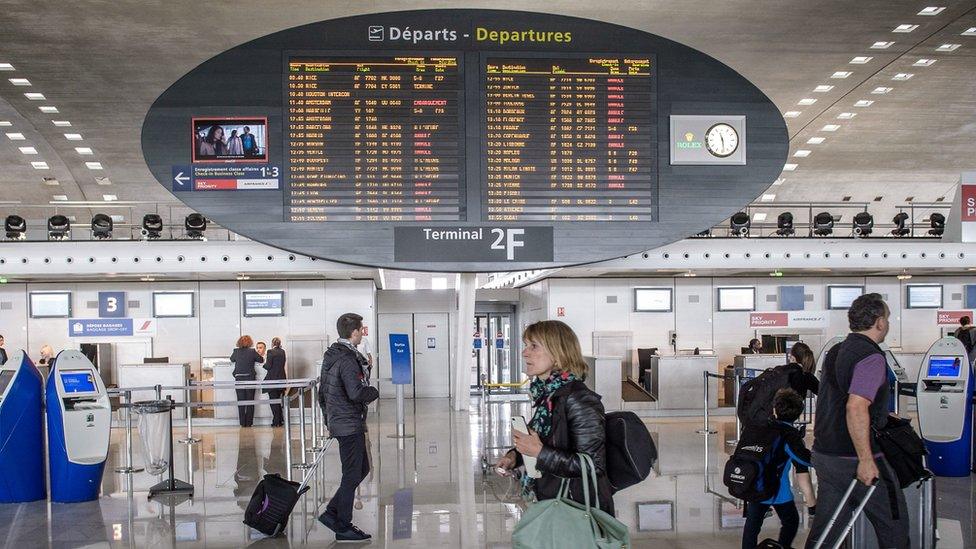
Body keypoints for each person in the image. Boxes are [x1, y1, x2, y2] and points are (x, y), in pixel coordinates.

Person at [805, 293, 909, 549]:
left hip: (825, 453)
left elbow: (837, 399)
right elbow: (855, 406)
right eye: (887, 317)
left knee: (826, 531)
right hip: (853, 458)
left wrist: (881, 415)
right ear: (880, 322)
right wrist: (865, 460)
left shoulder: (837, 350)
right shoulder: (871, 357)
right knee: (893, 525)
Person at [495, 320, 614, 515]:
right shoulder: (548, 396)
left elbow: (592, 465)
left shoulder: (580, 400)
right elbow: (542, 442)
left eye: (534, 346)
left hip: (577, 509)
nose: (525, 352)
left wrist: (540, 452)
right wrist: (513, 457)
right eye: (526, 346)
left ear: (558, 354)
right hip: (551, 501)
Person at [317, 313, 379, 542]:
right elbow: (356, 393)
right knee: (352, 473)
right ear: (354, 332)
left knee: (361, 469)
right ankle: (342, 525)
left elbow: (322, 393)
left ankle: (333, 513)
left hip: (342, 420)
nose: (363, 333)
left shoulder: (333, 356)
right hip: (348, 423)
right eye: (361, 330)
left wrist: (329, 419)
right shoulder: (346, 359)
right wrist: (373, 391)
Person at [741, 388, 814, 549]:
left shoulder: (761, 426)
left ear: (774, 409)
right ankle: (782, 546)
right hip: (778, 490)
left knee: (752, 526)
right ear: (798, 414)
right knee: (791, 521)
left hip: (754, 484)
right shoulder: (789, 434)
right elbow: (804, 462)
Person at [230, 335, 263, 427]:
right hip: (250, 378)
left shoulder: (236, 351)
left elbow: (231, 359)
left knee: (240, 401)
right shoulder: (252, 351)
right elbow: (261, 360)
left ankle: (242, 423)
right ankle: (249, 423)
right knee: (250, 401)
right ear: (250, 342)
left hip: (239, 379)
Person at [263, 337, 287, 427]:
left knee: (273, 402)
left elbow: (268, 366)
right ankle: (280, 420)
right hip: (281, 378)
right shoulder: (282, 351)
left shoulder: (270, 352)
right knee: (278, 401)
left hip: (272, 379)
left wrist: (263, 365)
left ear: (272, 344)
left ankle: (276, 421)